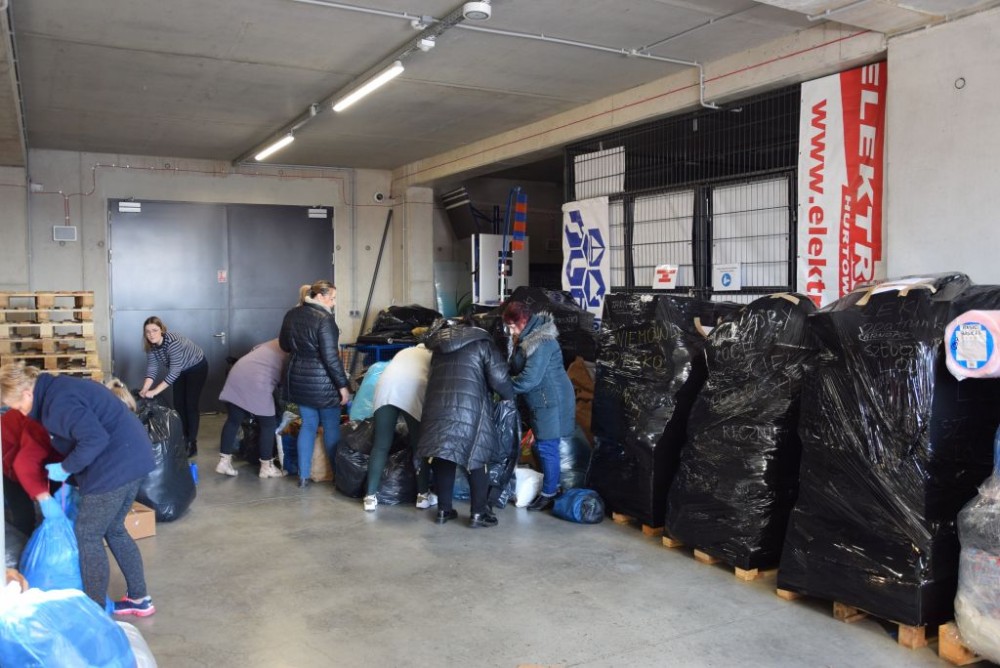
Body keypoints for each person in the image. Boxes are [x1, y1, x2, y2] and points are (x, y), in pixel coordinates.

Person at [0, 362, 157, 616]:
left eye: (18, 406)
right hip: (135, 459)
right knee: (114, 529)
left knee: (87, 535)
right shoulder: (59, 388)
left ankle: (95, 611)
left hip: (113, 467)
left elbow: (95, 439)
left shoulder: (56, 405)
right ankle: (139, 599)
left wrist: (66, 468)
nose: (20, 412)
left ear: (27, 394)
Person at [415, 320, 513, 528]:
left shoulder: (439, 348)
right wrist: (509, 397)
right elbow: (499, 378)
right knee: (477, 458)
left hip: (437, 407)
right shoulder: (483, 344)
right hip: (470, 408)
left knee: (444, 455)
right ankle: (478, 514)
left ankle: (444, 510)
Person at [501, 300, 576, 512]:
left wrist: (502, 387)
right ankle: (553, 486)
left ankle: (549, 494)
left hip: (550, 400)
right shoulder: (525, 338)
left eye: (512, 326)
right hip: (542, 398)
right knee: (543, 445)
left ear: (524, 321)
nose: (510, 331)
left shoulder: (542, 343)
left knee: (547, 446)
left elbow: (529, 379)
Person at [279, 280, 351, 488]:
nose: (334, 303)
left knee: (308, 425)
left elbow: (284, 345)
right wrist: (343, 386)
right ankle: (338, 476)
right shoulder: (325, 319)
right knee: (331, 427)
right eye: (332, 298)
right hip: (323, 383)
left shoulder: (291, 314)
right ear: (320, 296)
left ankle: (303, 476)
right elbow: (331, 357)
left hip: (299, 379)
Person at [363, 343, 436, 512]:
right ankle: (423, 496)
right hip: (413, 391)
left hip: (385, 388)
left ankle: (370, 497)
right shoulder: (433, 356)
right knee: (419, 446)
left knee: (381, 445)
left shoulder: (405, 351)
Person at [216, 338, 288, 479]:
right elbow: (286, 379)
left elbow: (254, 351)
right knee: (268, 424)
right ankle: (266, 467)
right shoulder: (293, 350)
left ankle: (223, 462)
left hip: (238, 372)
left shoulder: (275, 341)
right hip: (257, 381)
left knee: (233, 420)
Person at [139, 316, 207, 457]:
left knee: (190, 405)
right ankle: (183, 437)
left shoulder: (172, 342)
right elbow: (152, 368)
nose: (151, 334)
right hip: (179, 370)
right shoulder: (151, 346)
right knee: (178, 404)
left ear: (162, 330)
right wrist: (145, 389)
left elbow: (174, 371)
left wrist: (155, 391)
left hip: (196, 367)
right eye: (148, 331)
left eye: (154, 330)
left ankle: (192, 443)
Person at [1, 406, 64, 537]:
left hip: (47, 463)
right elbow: (23, 464)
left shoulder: (60, 416)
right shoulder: (38, 420)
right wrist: (44, 498)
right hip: (13, 467)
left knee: (58, 507)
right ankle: (28, 543)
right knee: (24, 517)